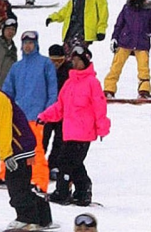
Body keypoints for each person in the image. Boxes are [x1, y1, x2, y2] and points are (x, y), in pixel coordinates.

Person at [0, 72, 54, 231]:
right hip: (15, 149)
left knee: (16, 186)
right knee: (20, 185)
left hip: (21, 147)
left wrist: (7, 155)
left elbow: (4, 128)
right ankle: (43, 217)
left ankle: (27, 219)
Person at [37, 44, 109, 207]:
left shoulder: (92, 83)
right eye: (74, 60)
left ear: (86, 62)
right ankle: (83, 190)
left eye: (78, 60)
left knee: (65, 161)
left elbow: (100, 107)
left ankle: (63, 192)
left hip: (84, 132)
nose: (75, 63)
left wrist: (102, 127)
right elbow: (60, 107)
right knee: (73, 162)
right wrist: (45, 116)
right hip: (69, 131)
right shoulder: (70, 83)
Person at [3, 29, 57, 194]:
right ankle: (6, 175)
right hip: (18, 117)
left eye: (31, 43)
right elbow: (7, 91)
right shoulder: (16, 67)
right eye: (25, 43)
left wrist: (47, 112)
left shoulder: (45, 63)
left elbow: (52, 90)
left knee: (36, 150)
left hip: (37, 117)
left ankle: (39, 180)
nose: (28, 46)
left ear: (36, 44)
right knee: (11, 148)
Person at [103, 0, 151, 99]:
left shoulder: (150, 10)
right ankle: (109, 89)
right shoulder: (127, 8)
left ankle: (144, 91)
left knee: (143, 69)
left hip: (142, 44)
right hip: (125, 41)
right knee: (116, 66)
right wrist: (114, 38)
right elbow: (119, 24)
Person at [41, 43, 71, 176]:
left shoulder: (70, 72)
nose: (56, 64)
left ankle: (54, 165)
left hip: (63, 112)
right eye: (53, 61)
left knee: (60, 140)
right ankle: (39, 165)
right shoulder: (43, 70)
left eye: (60, 61)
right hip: (47, 111)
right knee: (43, 139)